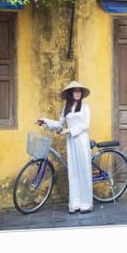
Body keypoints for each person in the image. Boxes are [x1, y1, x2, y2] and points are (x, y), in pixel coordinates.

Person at [37, 81, 93, 214]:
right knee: (73, 171)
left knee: (83, 170)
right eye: (75, 91)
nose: (78, 93)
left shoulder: (85, 107)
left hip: (81, 140)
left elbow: (85, 124)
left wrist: (69, 131)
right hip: (71, 142)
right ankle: (75, 203)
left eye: (79, 91)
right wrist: (45, 121)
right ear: (70, 93)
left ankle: (86, 203)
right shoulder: (66, 108)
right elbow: (59, 124)